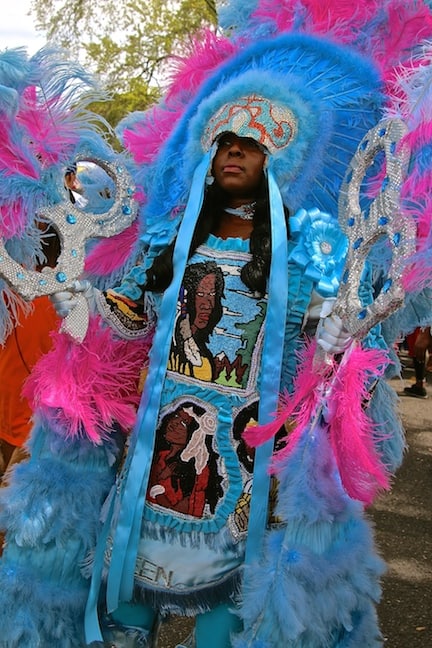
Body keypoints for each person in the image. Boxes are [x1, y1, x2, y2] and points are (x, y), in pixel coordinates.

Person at [2, 3, 432, 647]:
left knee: (224, 627)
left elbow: (318, 380)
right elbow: (131, 328)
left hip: (242, 481)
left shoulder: (309, 252)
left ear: (281, 162)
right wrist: (85, 312)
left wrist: (336, 346)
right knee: (121, 613)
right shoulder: (168, 243)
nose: (234, 152)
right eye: (224, 140)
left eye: (254, 145)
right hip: (151, 467)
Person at [404, 326, 432, 398]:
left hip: (421, 322)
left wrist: (425, 331)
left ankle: (420, 384)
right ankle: (420, 383)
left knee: (418, 348)